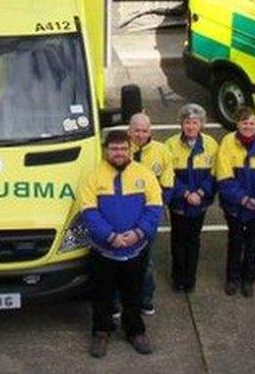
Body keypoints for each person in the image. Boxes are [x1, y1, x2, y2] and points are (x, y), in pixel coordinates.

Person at [82, 130, 163, 358]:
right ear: (106, 150)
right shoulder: (93, 176)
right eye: (114, 149)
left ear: (130, 150)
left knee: (133, 294)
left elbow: (155, 207)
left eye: (123, 149)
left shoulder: (144, 174)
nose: (119, 153)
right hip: (103, 250)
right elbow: (89, 212)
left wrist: (138, 233)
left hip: (135, 250)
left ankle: (135, 331)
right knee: (102, 295)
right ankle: (101, 332)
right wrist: (110, 236)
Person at [216, 106, 255, 298]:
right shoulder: (227, 142)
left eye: (252, 123)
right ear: (237, 123)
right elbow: (224, 176)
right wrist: (243, 198)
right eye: (244, 122)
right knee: (235, 242)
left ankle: (248, 281)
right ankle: (232, 279)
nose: (248, 126)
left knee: (253, 244)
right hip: (234, 207)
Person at [164, 104, 218, 293]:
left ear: (201, 124)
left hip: (199, 204)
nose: (191, 126)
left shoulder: (211, 144)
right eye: (187, 122)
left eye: (195, 122)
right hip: (179, 203)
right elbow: (168, 174)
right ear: (181, 123)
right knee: (177, 240)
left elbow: (214, 174)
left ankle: (190, 279)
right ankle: (177, 277)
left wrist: (201, 194)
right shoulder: (170, 144)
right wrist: (186, 193)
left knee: (193, 240)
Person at [128, 112, 174, 316]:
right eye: (136, 130)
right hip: (124, 216)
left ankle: (146, 299)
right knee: (122, 260)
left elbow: (168, 185)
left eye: (144, 131)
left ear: (151, 131)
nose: (140, 134)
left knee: (146, 261)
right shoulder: (120, 149)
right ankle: (123, 299)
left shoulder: (162, 151)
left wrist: (154, 214)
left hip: (147, 218)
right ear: (129, 130)